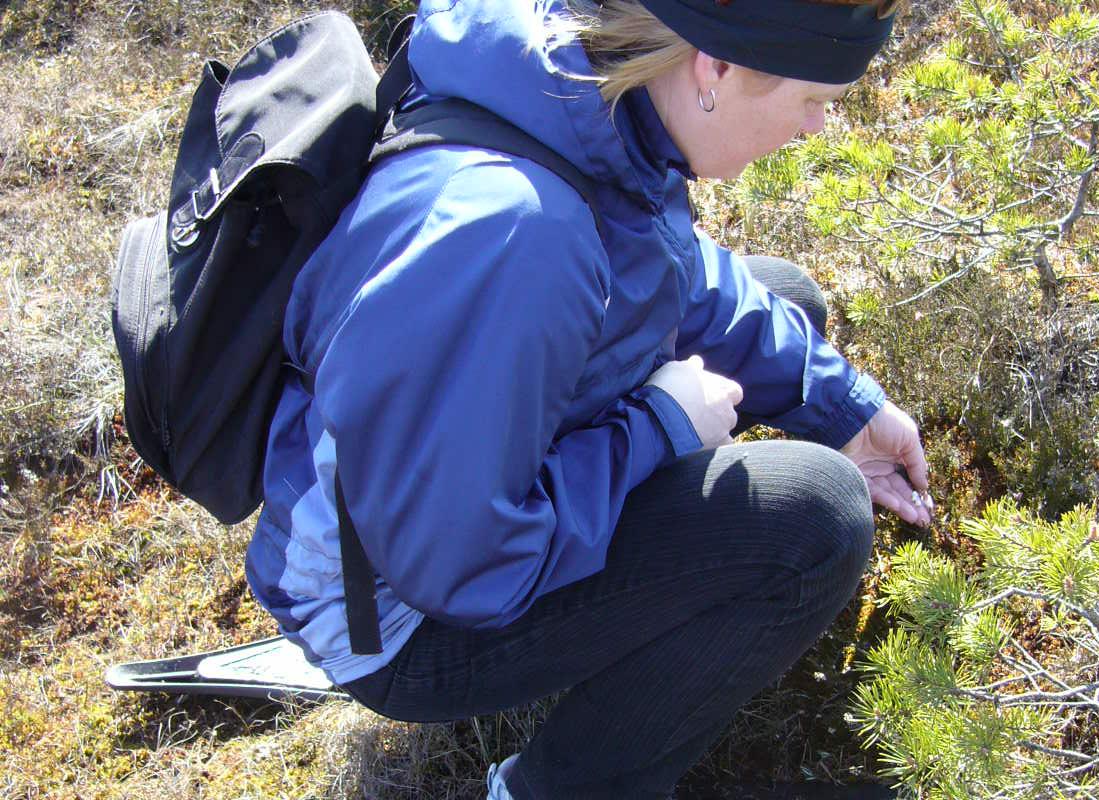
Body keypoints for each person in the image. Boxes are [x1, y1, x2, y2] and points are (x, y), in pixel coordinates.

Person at [245, 0, 932, 797]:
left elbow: (671, 271)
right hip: (398, 618)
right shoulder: (516, 236)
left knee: (787, 303)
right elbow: (466, 567)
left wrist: (846, 408)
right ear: (716, 66)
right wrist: (661, 427)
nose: (817, 128)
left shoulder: (590, 92)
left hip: (439, 500)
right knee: (816, 520)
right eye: (815, 101)